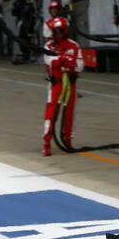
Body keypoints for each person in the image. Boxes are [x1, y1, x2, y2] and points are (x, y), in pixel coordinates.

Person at [42, 16, 83, 156]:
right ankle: (46, 142)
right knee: (51, 114)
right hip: (55, 85)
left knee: (69, 114)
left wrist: (71, 64)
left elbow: (80, 65)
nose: (57, 33)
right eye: (55, 30)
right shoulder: (48, 46)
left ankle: (67, 140)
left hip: (70, 85)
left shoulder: (74, 45)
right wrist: (62, 60)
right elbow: (49, 61)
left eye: (59, 30)